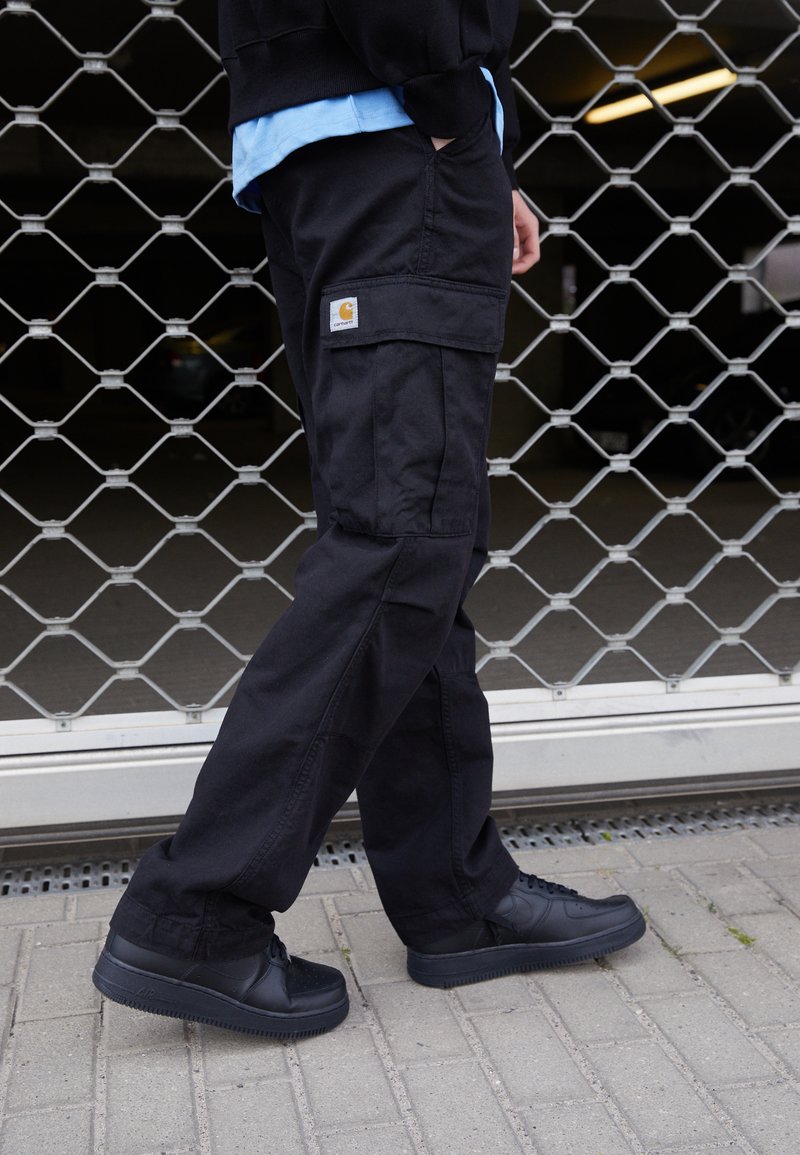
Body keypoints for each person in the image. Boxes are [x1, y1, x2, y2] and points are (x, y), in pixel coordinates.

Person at [93, 1, 645, 1039]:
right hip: (396, 139)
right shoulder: (417, 111)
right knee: (401, 540)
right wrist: (454, 109)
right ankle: (194, 912)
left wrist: (476, 147)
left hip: (343, 150)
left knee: (418, 540)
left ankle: (455, 897)